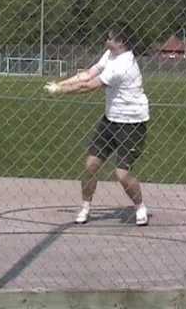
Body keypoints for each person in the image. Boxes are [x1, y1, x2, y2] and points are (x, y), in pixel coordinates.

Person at [43, 28, 150, 226]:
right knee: (90, 165)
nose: (106, 39)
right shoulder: (110, 55)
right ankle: (85, 206)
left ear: (121, 42)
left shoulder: (123, 64)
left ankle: (140, 206)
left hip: (132, 123)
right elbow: (87, 74)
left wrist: (60, 90)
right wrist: (60, 84)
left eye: (110, 37)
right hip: (110, 120)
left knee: (122, 174)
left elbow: (89, 86)